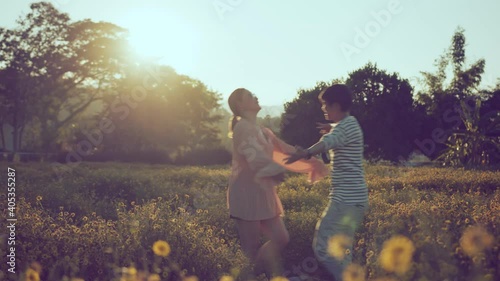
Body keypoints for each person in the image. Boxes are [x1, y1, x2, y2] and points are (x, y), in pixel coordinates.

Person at [227, 88, 328, 280]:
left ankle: (252, 274)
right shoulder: (241, 127)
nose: (255, 96)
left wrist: (309, 159)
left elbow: (285, 149)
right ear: (240, 105)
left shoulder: (263, 131)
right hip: (246, 194)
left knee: (281, 238)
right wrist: (273, 171)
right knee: (250, 249)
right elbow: (254, 157)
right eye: (250, 96)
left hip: (264, 193)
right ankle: (249, 275)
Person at [284, 84, 369, 281]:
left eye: (326, 105)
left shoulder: (343, 129)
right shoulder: (351, 123)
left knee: (322, 247)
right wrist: (331, 127)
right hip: (355, 200)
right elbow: (337, 134)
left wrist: (305, 153)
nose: (323, 109)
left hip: (344, 201)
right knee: (342, 249)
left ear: (336, 106)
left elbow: (328, 142)